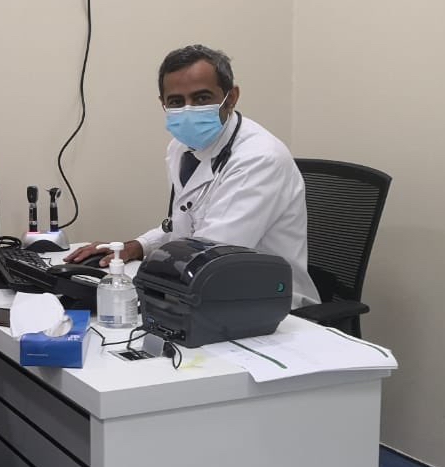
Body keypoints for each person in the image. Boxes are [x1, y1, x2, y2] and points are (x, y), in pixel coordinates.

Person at [68, 45, 319, 306]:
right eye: (176, 102)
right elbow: (186, 225)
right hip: (208, 294)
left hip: (268, 303)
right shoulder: (180, 147)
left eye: (201, 98)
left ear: (231, 97)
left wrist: (128, 284)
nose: (188, 110)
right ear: (163, 104)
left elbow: (212, 254)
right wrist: (137, 246)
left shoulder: (259, 158)